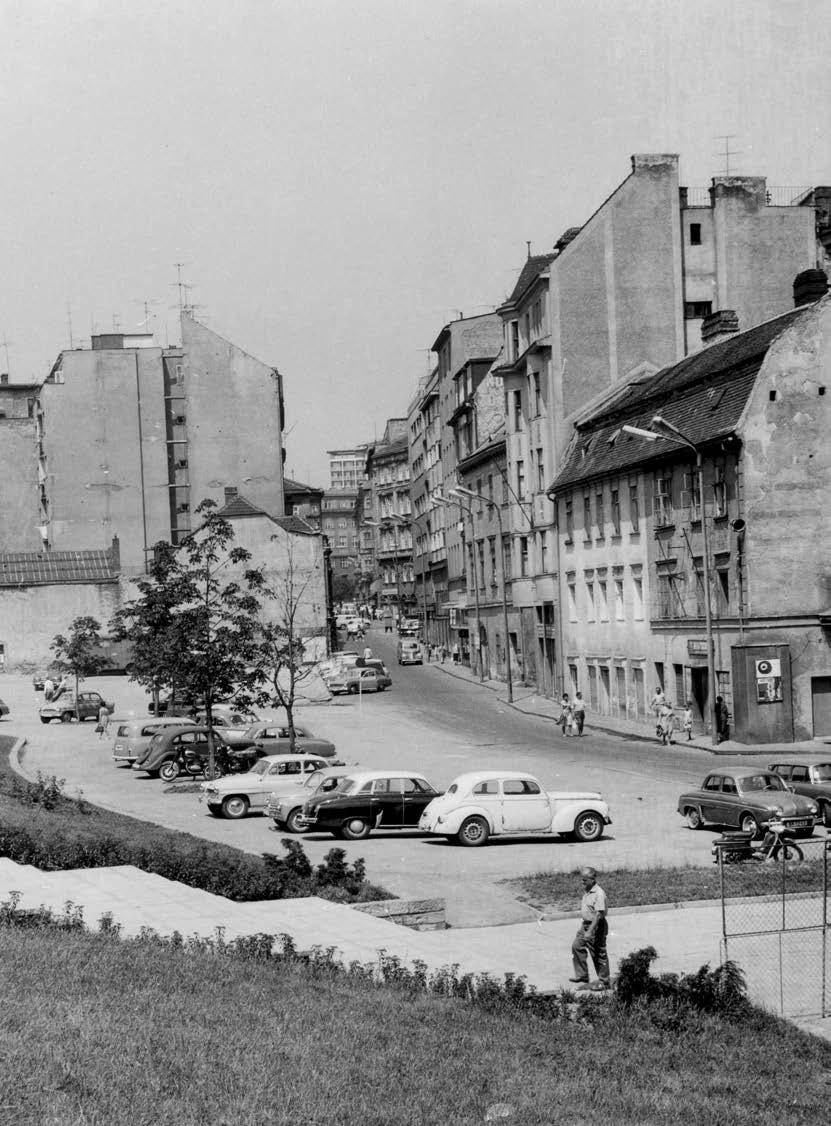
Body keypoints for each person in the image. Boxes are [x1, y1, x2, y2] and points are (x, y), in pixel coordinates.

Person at [570, 867, 611, 991]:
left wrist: (590, 931)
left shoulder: (598, 893)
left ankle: (604, 981)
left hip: (596, 926)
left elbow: (598, 915)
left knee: (598, 953)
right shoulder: (588, 891)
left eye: (584, 880)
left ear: (592, 880)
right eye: (582, 880)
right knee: (577, 946)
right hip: (585, 925)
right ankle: (582, 975)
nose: (582, 883)